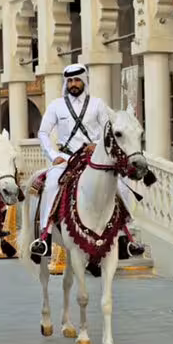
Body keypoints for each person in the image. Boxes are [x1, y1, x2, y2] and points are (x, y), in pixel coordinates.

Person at [34, 63, 143, 257]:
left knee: (120, 184)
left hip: (93, 158)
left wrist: (98, 144)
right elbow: (42, 133)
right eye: (70, 81)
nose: (74, 84)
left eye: (77, 80)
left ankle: (125, 236)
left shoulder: (98, 104)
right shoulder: (55, 106)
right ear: (66, 83)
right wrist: (53, 155)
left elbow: (109, 130)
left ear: (84, 81)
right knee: (52, 183)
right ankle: (45, 236)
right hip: (67, 158)